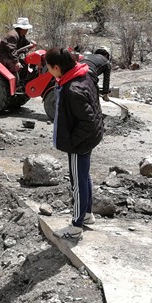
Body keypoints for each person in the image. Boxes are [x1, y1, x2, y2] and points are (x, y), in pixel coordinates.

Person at [46, 47, 104, 240]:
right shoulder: (83, 75)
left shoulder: (72, 90)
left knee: (77, 182)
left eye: (49, 68)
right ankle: (87, 214)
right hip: (90, 138)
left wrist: (73, 142)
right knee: (84, 176)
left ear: (57, 67)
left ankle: (76, 227)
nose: (48, 71)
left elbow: (87, 122)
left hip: (80, 144)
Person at [0, 17, 35, 84]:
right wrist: (16, 62)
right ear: (21, 28)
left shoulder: (21, 36)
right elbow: (12, 50)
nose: (27, 30)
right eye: (26, 29)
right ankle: (15, 85)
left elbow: (26, 44)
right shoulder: (13, 36)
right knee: (14, 66)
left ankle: (23, 82)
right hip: (2, 57)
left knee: (24, 62)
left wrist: (31, 45)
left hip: (9, 56)